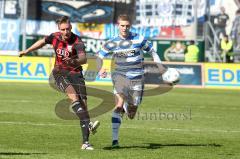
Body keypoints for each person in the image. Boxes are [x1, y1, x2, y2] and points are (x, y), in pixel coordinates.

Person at [19, 16, 100, 150]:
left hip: (76, 75)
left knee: (84, 106)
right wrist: (27, 51)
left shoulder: (77, 41)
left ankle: (85, 142)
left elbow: (83, 59)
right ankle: (88, 125)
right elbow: (42, 41)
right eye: (63, 29)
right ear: (59, 29)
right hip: (60, 73)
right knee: (73, 98)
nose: (65, 31)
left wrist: (72, 61)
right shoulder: (54, 37)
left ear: (71, 28)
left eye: (67, 29)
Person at [96, 14, 169, 148]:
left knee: (132, 112)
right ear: (118, 26)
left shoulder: (139, 39)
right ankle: (115, 141)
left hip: (137, 77)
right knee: (118, 105)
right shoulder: (112, 42)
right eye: (122, 25)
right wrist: (100, 69)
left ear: (130, 26)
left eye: (127, 26)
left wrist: (161, 67)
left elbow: (153, 51)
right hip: (119, 76)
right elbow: (99, 56)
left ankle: (127, 106)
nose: (124, 28)